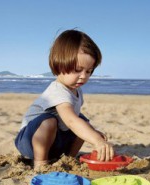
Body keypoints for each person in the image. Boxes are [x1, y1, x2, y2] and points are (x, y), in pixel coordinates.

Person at [15, 29, 114, 168]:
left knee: (84, 123)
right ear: (60, 64)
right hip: (30, 141)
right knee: (51, 121)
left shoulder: (76, 90)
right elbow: (71, 121)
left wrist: (92, 134)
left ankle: (68, 158)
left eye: (89, 71)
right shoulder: (57, 91)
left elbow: (75, 122)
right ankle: (40, 163)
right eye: (78, 69)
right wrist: (96, 140)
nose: (84, 76)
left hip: (55, 140)